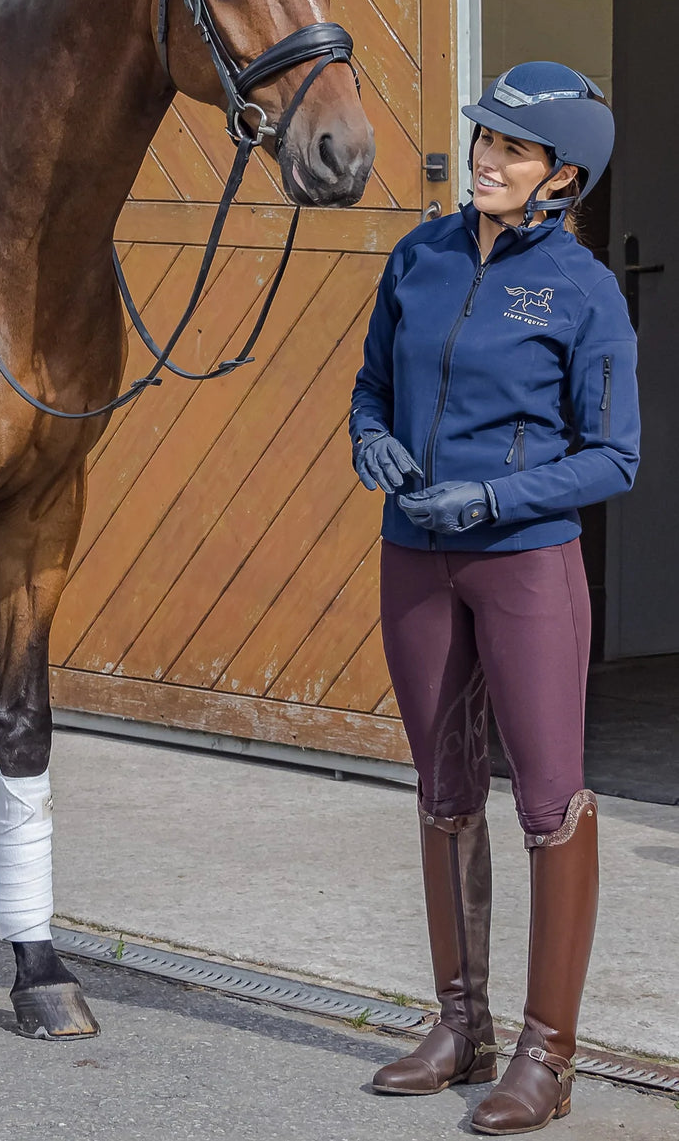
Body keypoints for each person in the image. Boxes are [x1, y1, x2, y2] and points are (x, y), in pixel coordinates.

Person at [349, 61, 639, 1135]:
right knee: (440, 784)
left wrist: (499, 496)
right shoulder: (416, 255)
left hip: (523, 565)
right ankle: (455, 1024)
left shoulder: (580, 291)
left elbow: (614, 456)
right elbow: (370, 382)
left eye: (509, 149)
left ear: (558, 175)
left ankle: (544, 1057)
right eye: (480, 139)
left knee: (547, 801)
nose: (483, 159)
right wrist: (368, 436)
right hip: (411, 553)